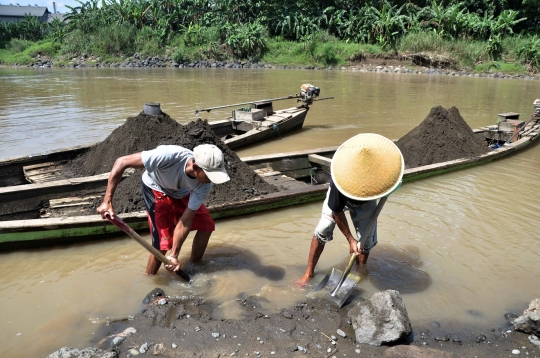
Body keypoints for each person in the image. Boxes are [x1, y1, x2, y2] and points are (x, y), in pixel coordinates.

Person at [97, 144, 230, 275]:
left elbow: (186, 220)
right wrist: (107, 201)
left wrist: (174, 256)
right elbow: (122, 161)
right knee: (163, 243)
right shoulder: (169, 155)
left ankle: (194, 267)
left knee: (207, 225)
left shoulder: (204, 185)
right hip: (156, 188)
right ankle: (149, 278)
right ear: (195, 167)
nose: (211, 180)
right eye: (208, 175)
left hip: (180, 192)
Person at [298, 133, 403, 286]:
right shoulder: (340, 179)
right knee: (323, 228)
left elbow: (391, 176)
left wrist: (391, 185)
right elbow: (337, 211)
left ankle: (359, 271)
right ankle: (309, 273)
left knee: (365, 240)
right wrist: (350, 239)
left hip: (367, 198)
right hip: (342, 195)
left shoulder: (379, 170)